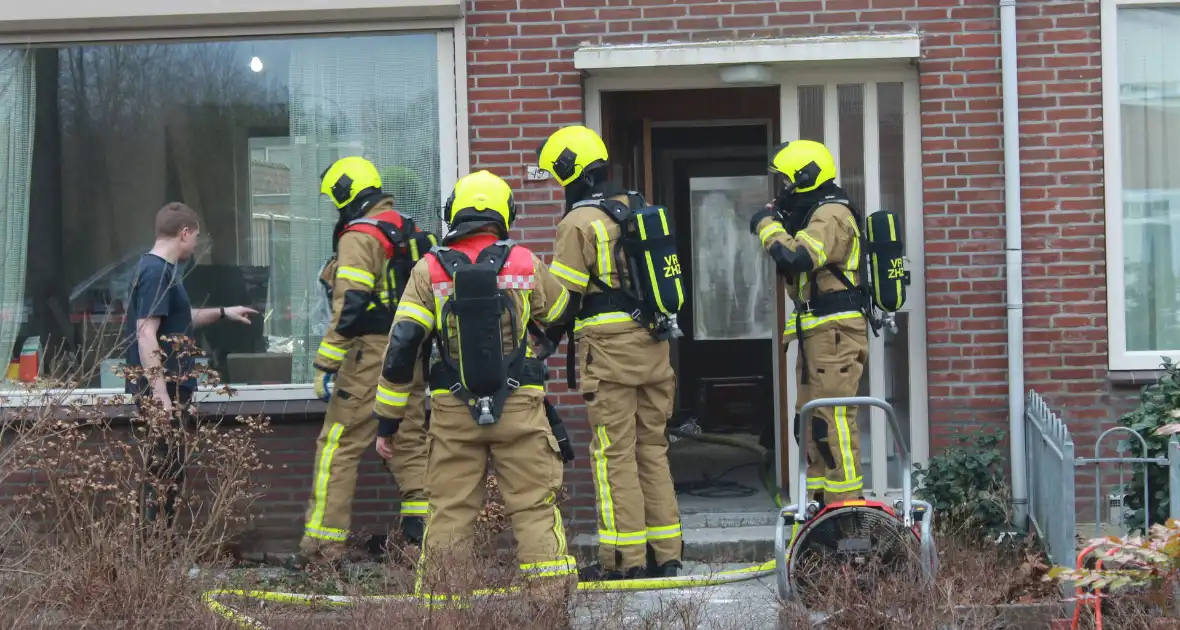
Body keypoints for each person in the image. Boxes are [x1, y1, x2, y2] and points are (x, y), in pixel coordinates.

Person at [373, 170, 577, 595]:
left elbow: (402, 348)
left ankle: (446, 616)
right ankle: (550, 611)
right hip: (520, 408)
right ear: (506, 213)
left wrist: (388, 421)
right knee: (535, 511)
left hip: (452, 413)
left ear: (453, 214)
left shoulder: (428, 270)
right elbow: (559, 310)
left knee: (448, 514)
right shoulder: (523, 260)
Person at [536, 125, 683, 581]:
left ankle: (624, 561)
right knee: (653, 450)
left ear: (572, 173)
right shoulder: (635, 209)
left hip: (610, 354)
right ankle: (668, 554)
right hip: (654, 348)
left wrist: (541, 342)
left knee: (613, 454)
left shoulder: (578, 223)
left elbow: (562, 301)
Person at [297, 156, 436, 567]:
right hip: (409, 353)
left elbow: (352, 305)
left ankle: (321, 550)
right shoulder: (413, 234)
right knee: (409, 444)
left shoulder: (360, 235)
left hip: (371, 352)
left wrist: (326, 363)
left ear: (345, 195)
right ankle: (424, 546)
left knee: (337, 445)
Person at [748, 139, 869, 507]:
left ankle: (848, 512)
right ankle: (820, 506)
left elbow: (798, 258)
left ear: (805, 177)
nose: (783, 190)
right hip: (818, 331)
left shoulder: (831, 215)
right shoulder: (816, 214)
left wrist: (768, 226)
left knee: (833, 423)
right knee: (813, 424)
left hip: (834, 333)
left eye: (787, 182)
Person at [124, 202, 258, 527]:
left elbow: (182, 320)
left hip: (170, 388)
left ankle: (159, 558)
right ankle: (156, 561)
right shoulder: (156, 272)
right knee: (163, 474)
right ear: (184, 233)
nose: (196, 244)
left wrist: (224, 312)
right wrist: (161, 396)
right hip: (164, 389)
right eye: (195, 236)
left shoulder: (162, 271)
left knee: (169, 472)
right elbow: (146, 334)